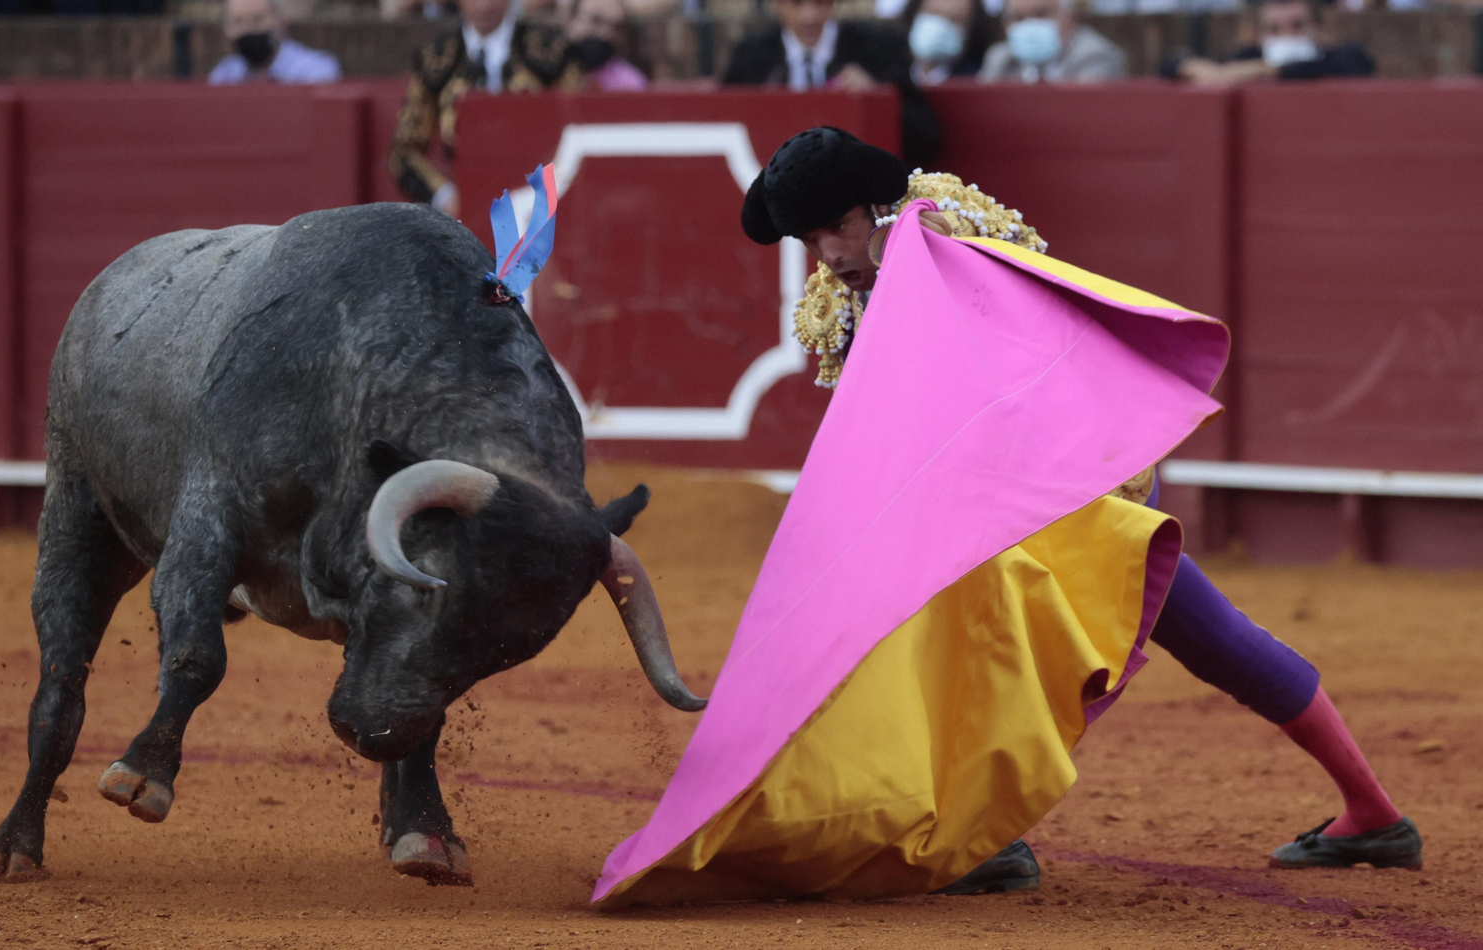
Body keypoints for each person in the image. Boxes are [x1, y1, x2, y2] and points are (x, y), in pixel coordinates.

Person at [592, 126, 1422, 906]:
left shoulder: (936, 239)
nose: (824, 256)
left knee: (987, 632)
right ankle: (1374, 815)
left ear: (865, 210)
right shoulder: (852, 286)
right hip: (998, 501)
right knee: (1206, 638)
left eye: (829, 231)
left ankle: (989, 841)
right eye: (808, 242)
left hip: (1070, 492)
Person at [388, 0, 581, 214]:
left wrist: (545, 193)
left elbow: (576, 130)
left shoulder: (552, 50)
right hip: (464, 206)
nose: (484, 4)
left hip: (540, 203)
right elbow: (404, 151)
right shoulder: (434, 57)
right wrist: (445, 196)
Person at [720, 0, 942, 170]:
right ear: (778, 4)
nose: (809, 16)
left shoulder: (879, 49)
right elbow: (722, 124)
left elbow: (925, 137)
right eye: (796, 3)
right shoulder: (750, 57)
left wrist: (877, 98)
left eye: (820, 2)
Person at [1164, 0, 1374, 85]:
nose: (1286, 36)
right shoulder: (1251, 55)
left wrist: (1262, 70)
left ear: (1320, 28)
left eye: (1298, 26)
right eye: (1273, 29)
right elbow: (1171, 64)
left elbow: (1359, 61)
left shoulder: (1340, 58)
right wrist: (1196, 68)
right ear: (1259, 35)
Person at [978, 0, 1125, 83]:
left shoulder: (1095, 56)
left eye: (1041, 15)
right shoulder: (999, 59)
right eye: (1019, 18)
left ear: (1069, 17)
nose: (1030, 25)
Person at [208, 0, 342, 85]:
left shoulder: (315, 71)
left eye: (257, 19)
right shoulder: (224, 75)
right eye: (238, 21)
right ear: (226, 28)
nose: (248, 29)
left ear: (280, 20)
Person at [903, 0, 1001, 83]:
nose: (941, 26)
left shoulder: (977, 81)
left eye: (954, 20)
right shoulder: (891, 71)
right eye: (934, 13)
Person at [565, 0, 648, 91]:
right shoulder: (550, 74)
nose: (606, 33)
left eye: (616, 27)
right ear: (571, 20)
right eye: (595, 20)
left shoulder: (631, 85)